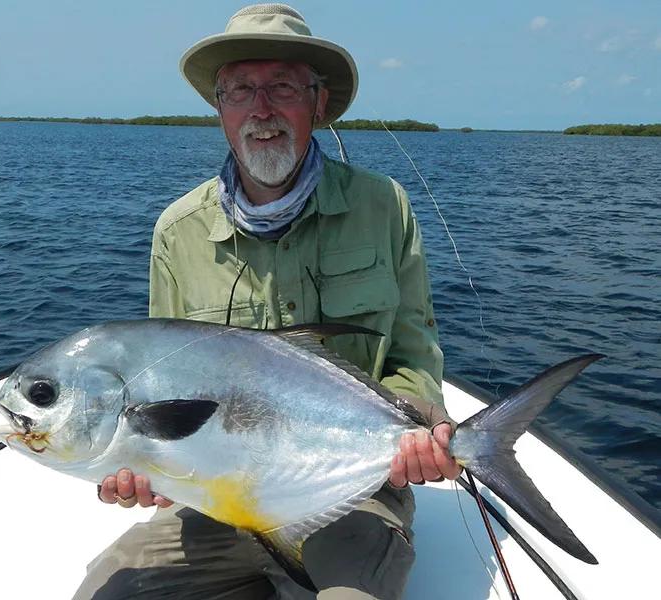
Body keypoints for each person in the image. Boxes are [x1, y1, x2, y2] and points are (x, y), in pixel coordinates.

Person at [76, 4, 460, 599]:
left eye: (282, 86)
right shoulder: (177, 231)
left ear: (319, 102)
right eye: (241, 90)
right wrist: (129, 470)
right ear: (219, 108)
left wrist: (416, 429)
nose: (262, 109)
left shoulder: (384, 207)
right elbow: (154, 385)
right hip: (211, 499)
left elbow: (414, 352)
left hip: (350, 493)